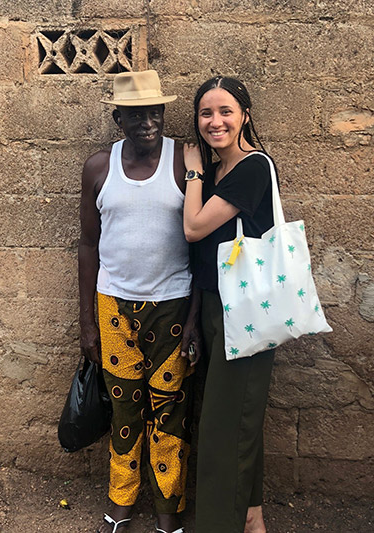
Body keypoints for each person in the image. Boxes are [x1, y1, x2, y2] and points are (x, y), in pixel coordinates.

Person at [78, 70, 200, 533]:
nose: (147, 122)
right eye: (135, 114)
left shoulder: (184, 163)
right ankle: (120, 506)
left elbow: (202, 247)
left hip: (172, 307)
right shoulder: (98, 167)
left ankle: (169, 513)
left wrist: (193, 320)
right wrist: (87, 323)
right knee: (124, 410)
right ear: (118, 118)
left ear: (164, 114)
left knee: (170, 413)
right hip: (114, 309)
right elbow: (88, 244)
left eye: (154, 112)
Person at [182, 76, 276, 533]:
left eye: (225, 111)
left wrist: (193, 173)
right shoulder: (222, 171)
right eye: (205, 113)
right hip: (217, 307)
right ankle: (251, 519)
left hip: (247, 311)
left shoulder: (252, 168)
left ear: (244, 116)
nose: (215, 121)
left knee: (223, 429)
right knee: (237, 420)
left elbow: (195, 228)